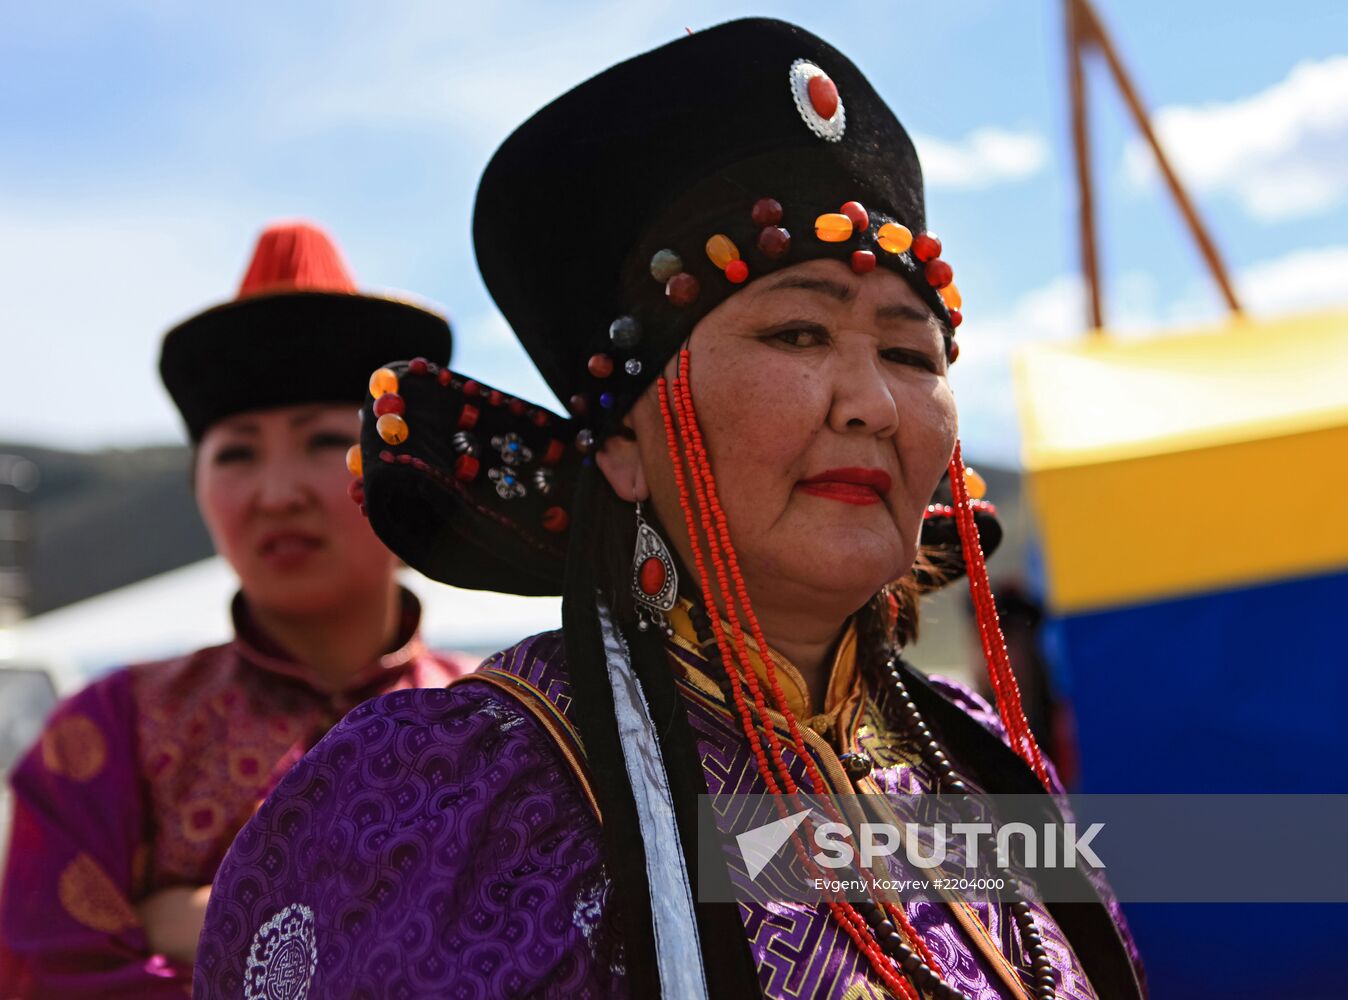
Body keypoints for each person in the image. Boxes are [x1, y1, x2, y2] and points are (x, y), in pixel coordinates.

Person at [195, 22, 1146, 1000]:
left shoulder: (972, 759)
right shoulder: (453, 794)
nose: (871, 401)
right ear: (618, 447)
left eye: (910, 354)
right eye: (796, 332)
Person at [0, 222, 475, 997]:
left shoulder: (506, 718)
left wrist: (215, 921)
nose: (276, 492)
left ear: (406, 474)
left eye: (323, 441)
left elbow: (731, 900)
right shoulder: (107, 729)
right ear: (198, 491)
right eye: (238, 452)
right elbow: (42, 974)